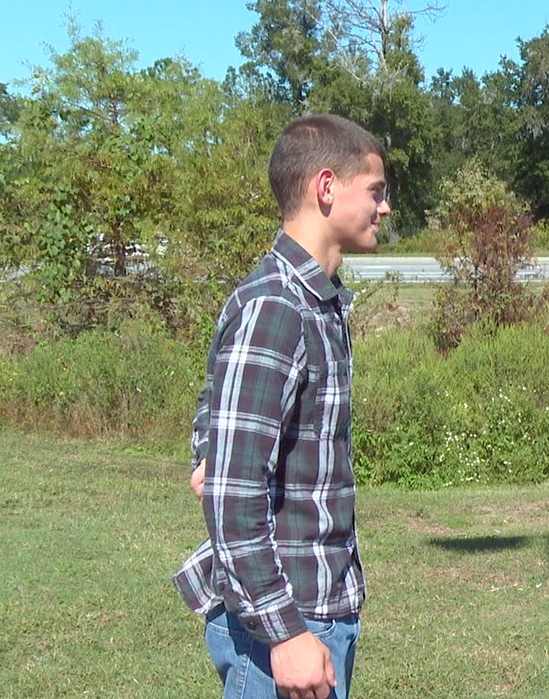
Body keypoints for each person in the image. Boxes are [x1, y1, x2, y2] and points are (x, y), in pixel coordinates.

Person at [174, 113, 390, 699]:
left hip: (319, 609)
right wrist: (285, 633)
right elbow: (234, 488)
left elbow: (214, 406)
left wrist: (209, 453)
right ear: (327, 188)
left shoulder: (319, 303)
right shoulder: (278, 307)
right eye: (375, 190)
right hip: (284, 627)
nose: (385, 207)